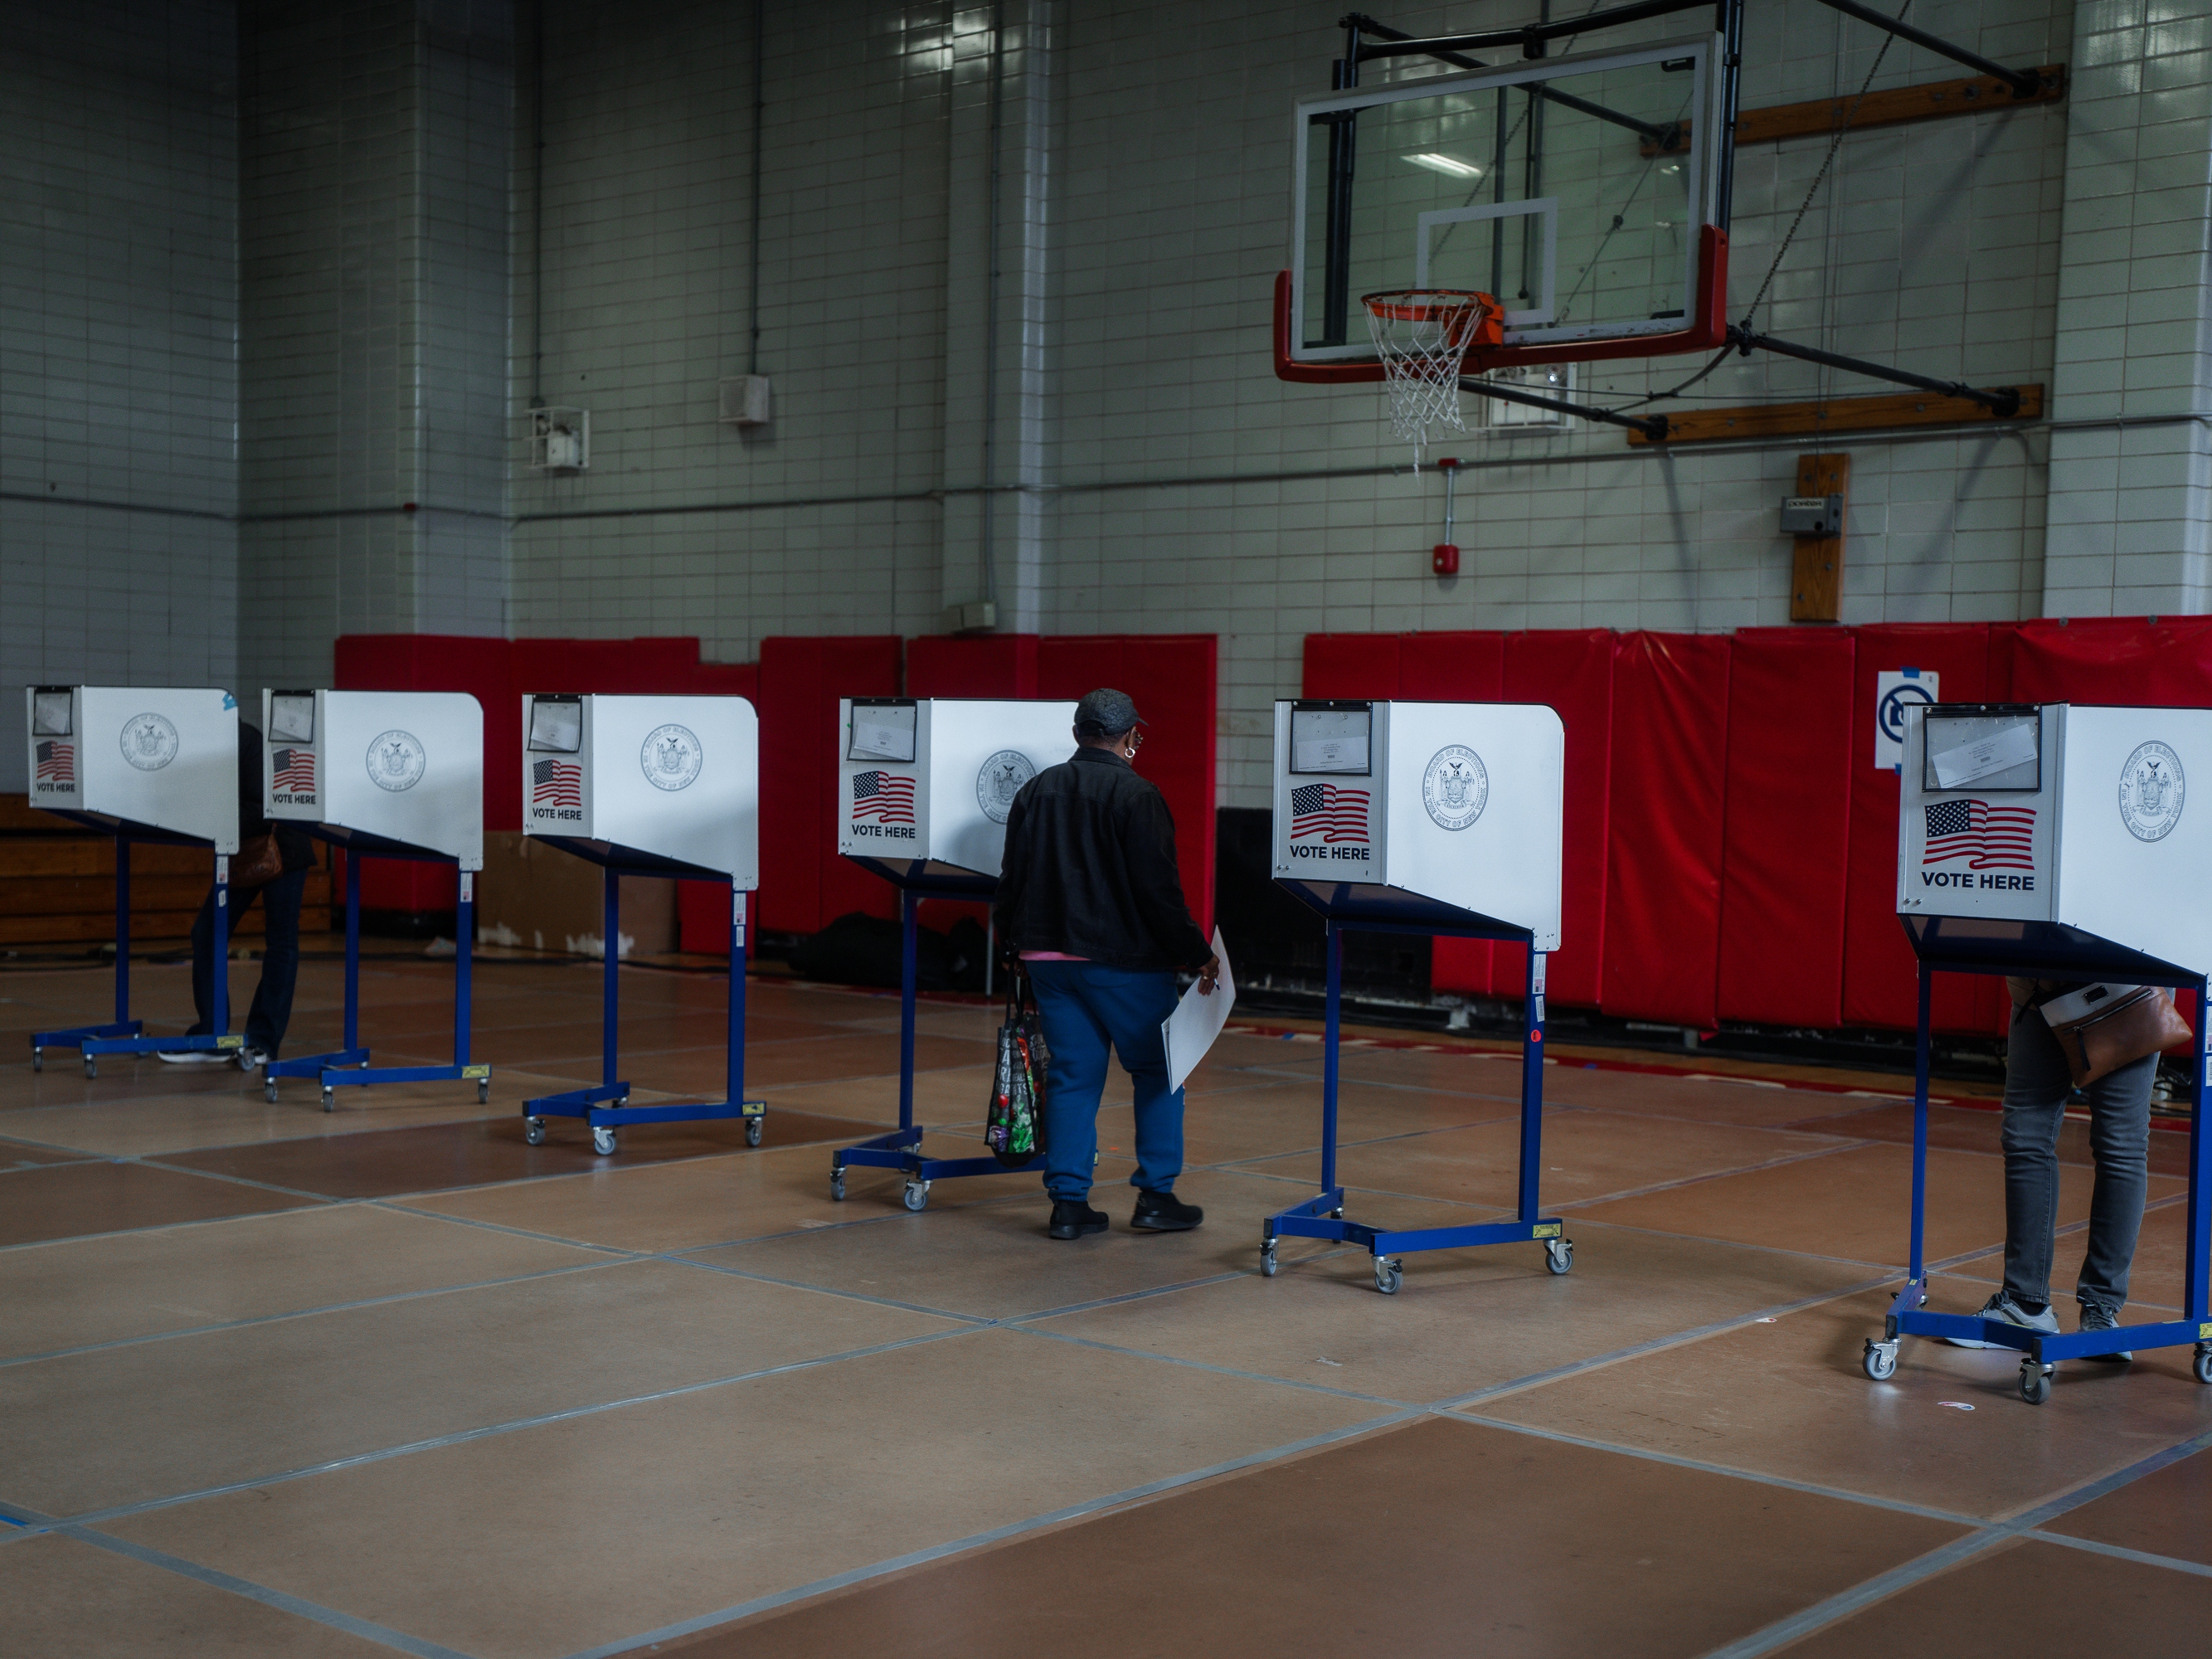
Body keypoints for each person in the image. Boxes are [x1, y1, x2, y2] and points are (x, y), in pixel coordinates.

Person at [994, 688, 1221, 1240]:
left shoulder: (1034, 791)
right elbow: (1158, 891)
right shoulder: (1137, 795)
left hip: (1047, 959)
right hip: (1123, 963)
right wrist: (1197, 952)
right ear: (1130, 736)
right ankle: (1155, 1197)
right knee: (1159, 1073)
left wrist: (1012, 949)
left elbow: (1012, 880)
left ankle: (1068, 1205)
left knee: (1072, 1077)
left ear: (1077, 734)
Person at [1949, 976, 2158, 1360]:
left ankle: (2100, 1310)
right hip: (2039, 982)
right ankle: (2027, 1305)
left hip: (2122, 984)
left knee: (2119, 1145)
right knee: (2027, 1137)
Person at [160, 719, 317, 1070]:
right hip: (243, 851)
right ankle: (213, 1035)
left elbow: (261, 808)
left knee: (280, 944)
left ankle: (263, 1041)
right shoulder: (207, 750)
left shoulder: (248, 743)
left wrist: (204, 818)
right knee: (207, 932)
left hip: (283, 850)